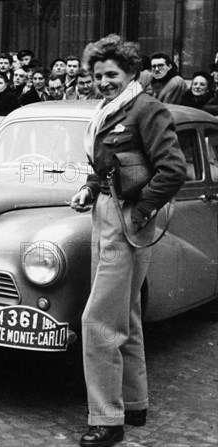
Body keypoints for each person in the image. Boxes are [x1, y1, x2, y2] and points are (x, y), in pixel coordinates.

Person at [69, 34, 186, 447]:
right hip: (105, 213)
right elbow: (104, 164)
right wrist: (89, 187)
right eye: (98, 75)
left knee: (98, 320)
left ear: (132, 73)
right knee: (128, 315)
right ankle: (134, 404)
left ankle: (107, 419)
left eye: (111, 74)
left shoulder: (147, 109)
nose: (103, 81)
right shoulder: (108, 111)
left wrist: (140, 212)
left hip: (128, 219)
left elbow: (173, 170)